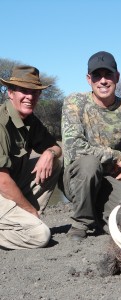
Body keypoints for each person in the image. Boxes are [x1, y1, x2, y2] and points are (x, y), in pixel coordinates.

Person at [61, 51, 121, 241]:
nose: (103, 81)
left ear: (117, 77)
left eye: (108, 74)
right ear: (89, 79)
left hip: (110, 179)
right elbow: (74, 148)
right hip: (78, 176)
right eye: (97, 75)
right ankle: (81, 223)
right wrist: (114, 155)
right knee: (89, 164)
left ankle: (100, 215)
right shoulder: (74, 102)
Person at [0, 65, 62, 250]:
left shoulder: (30, 120)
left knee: (56, 163)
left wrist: (49, 154)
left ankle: (24, 221)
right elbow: (2, 181)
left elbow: (56, 148)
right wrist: (30, 210)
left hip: (8, 186)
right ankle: (29, 221)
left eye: (34, 92)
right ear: (10, 93)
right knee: (40, 236)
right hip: (2, 185)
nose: (30, 97)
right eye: (24, 91)